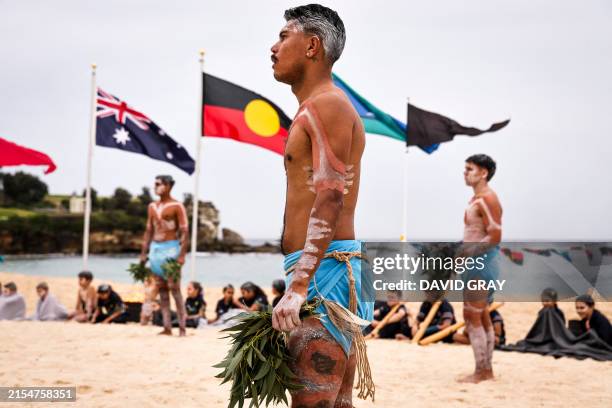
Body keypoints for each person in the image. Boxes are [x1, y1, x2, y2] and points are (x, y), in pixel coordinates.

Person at [270, 5, 374, 404]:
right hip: (327, 266)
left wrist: (298, 285)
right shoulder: (313, 108)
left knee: (313, 402)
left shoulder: (327, 105)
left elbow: (331, 196)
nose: (273, 47)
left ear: (312, 46)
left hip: (325, 272)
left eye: (283, 36)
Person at [457, 154, 502, 383]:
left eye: (469, 169)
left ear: (483, 173)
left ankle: (482, 371)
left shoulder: (487, 198)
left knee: (472, 315)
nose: (465, 173)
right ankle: (486, 370)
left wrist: (468, 253)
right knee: (481, 314)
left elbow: (495, 235)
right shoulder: (477, 199)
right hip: (478, 261)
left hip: (482, 262)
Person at [140, 175, 189, 336]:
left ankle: (182, 327)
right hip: (156, 250)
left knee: (174, 288)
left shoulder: (177, 206)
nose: (155, 187)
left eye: (158, 184)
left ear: (168, 186)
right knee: (161, 289)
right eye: (155, 184)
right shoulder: (152, 206)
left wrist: (182, 254)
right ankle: (167, 327)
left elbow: (184, 230)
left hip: (171, 248)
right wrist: (143, 253)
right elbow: (149, 230)